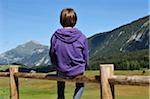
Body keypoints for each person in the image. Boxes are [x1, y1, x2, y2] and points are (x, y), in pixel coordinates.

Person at [49, 8, 88, 99]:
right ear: (75, 20)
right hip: (78, 71)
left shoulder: (55, 36)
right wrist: (83, 67)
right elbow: (85, 56)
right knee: (80, 86)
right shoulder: (82, 37)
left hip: (61, 71)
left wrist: (56, 65)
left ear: (61, 20)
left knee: (60, 85)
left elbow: (52, 54)